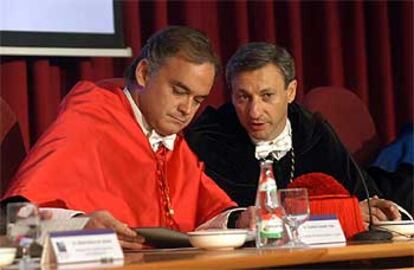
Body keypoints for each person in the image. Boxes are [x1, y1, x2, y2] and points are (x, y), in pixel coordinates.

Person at [1, 26, 254, 248]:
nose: (186, 110)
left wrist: (240, 219)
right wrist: (80, 226)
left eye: (198, 100)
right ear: (143, 73)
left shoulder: (168, 133)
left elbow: (204, 206)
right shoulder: (91, 115)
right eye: (179, 91)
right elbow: (15, 220)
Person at [185, 42, 401, 225]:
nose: (255, 112)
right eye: (243, 97)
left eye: (267, 95)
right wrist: (341, 211)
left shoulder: (313, 131)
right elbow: (210, 217)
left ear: (290, 92)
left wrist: (376, 210)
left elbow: (364, 199)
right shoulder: (209, 139)